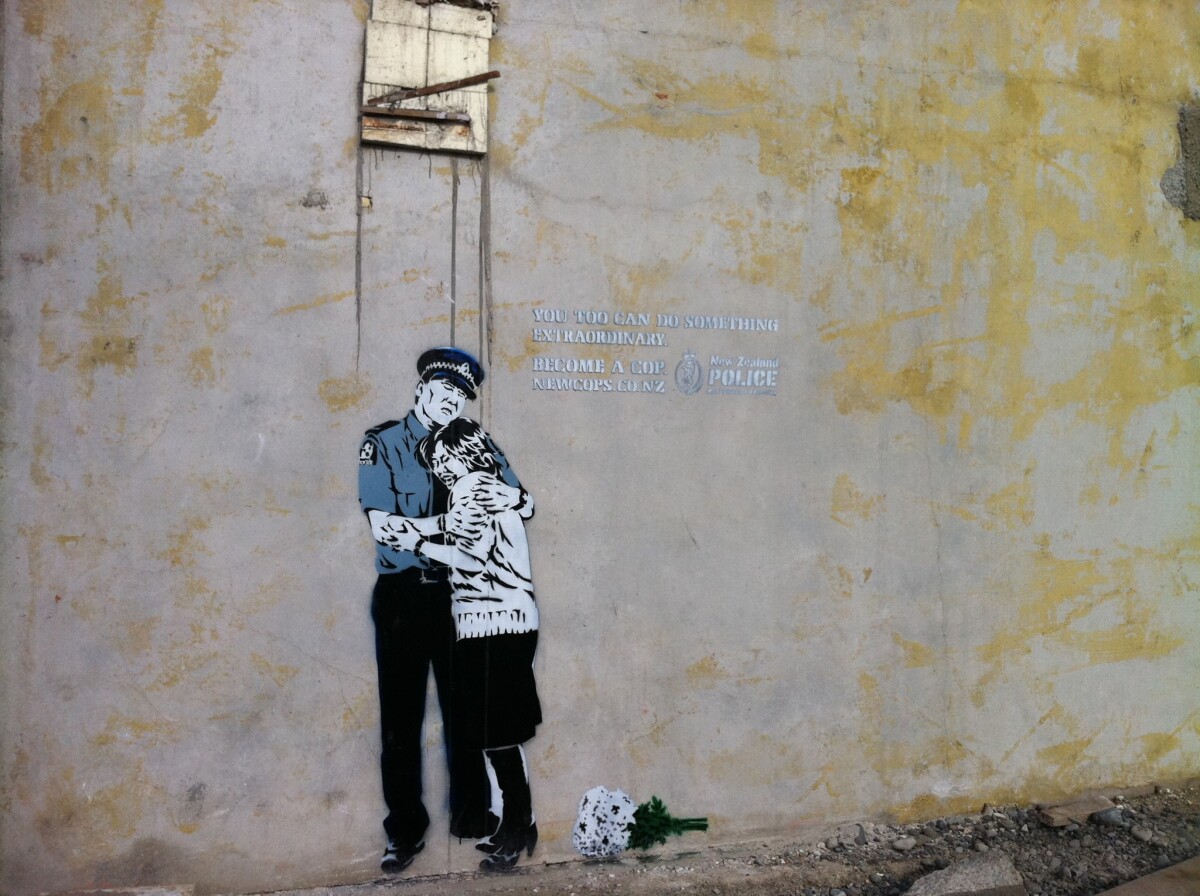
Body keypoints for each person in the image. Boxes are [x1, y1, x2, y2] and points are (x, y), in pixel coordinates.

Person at [358, 347, 533, 874]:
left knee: (469, 718)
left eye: (460, 395)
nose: (451, 401)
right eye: (443, 390)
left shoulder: (471, 441)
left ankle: (474, 818)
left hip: (462, 599)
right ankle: (404, 831)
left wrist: (502, 501)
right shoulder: (384, 443)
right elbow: (381, 524)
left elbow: (522, 499)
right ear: (421, 389)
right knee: (400, 721)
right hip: (404, 597)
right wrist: (438, 529)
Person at [388, 416, 541, 871]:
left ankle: (517, 827)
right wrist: (421, 533)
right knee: (496, 735)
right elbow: (464, 534)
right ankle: (517, 823)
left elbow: (470, 558)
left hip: (497, 624)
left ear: (462, 451)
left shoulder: (472, 487)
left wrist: (416, 544)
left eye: (442, 459)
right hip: (493, 623)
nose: (439, 468)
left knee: (498, 736)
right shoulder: (480, 487)